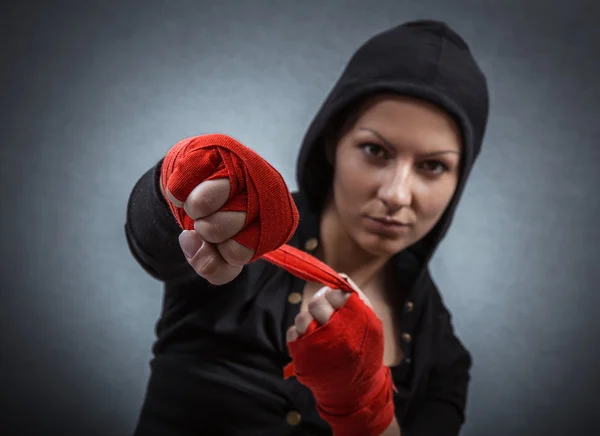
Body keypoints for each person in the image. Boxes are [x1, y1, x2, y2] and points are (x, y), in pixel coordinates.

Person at [125, 19, 489, 436]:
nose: (397, 194)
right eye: (374, 150)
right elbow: (158, 242)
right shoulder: (245, 227)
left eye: (433, 166)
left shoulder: (440, 354)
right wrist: (184, 176)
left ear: (458, 179)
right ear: (333, 140)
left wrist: (364, 409)